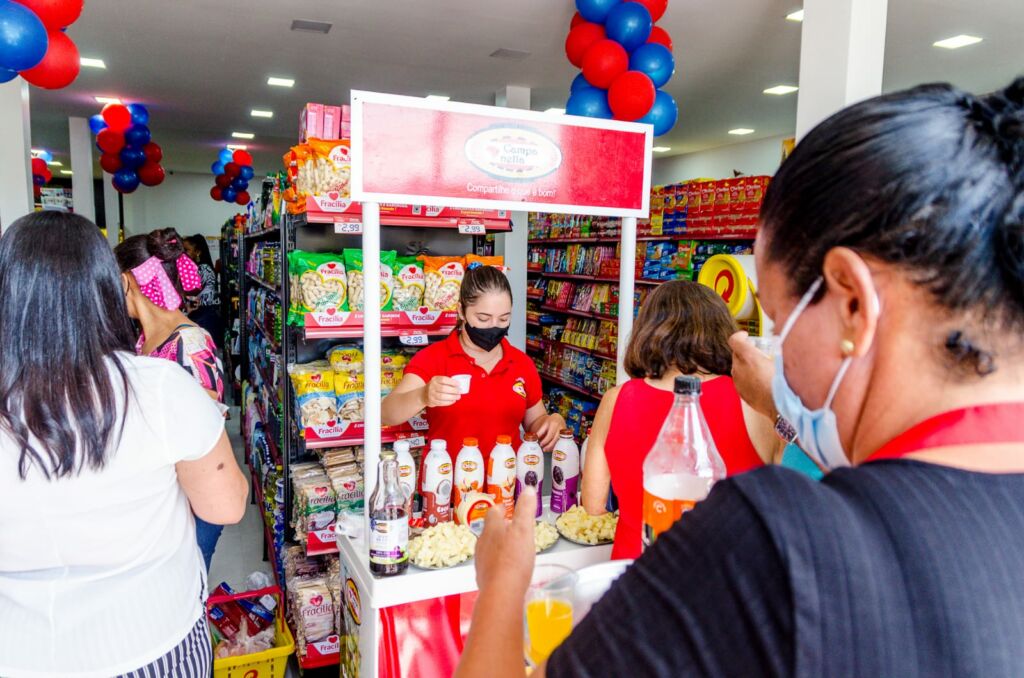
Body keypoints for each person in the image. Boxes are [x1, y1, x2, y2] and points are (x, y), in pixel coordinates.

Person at [456, 77, 1024, 677]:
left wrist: (502, 583)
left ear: (853, 304)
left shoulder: (773, 544)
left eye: (776, 323)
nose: (770, 355)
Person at [0, 213, 248, 676]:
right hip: (152, 639)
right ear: (103, 288)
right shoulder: (156, 386)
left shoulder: (178, 355)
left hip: (21, 651)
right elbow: (227, 504)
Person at [580, 280, 777, 559]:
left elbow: (592, 504)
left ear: (646, 332)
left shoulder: (616, 399)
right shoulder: (754, 400)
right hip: (727, 580)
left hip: (634, 576)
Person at [116, 228, 228, 569]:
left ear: (125, 282)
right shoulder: (148, 338)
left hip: (191, 502)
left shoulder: (189, 343)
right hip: (165, 500)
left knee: (187, 589)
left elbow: (205, 424)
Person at [383, 263, 566, 453]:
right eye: (483, 318)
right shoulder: (433, 358)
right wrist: (423, 395)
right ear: (461, 311)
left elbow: (535, 423)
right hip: (446, 478)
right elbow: (387, 414)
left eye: (503, 319)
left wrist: (553, 422)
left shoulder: (521, 364)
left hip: (507, 478)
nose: (494, 327)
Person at [183, 233, 225, 351]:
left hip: (205, 316)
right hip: (201, 314)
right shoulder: (196, 268)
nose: (184, 254)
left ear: (198, 252)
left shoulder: (203, 269)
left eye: (187, 250)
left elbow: (191, 291)